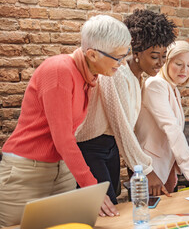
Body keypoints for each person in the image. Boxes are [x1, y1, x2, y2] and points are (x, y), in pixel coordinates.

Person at [0, 15, 131, 227]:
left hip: (61, 170)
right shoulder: (60, 70)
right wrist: (92, 188)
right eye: (118, 57)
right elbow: (63, 139)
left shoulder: (88, 77)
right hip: (26, 173)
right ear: (92, 54)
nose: (121, 63)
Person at [75, 9, 177, 208]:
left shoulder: (139, 78)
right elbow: (121, 125)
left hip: (111, 147)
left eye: (164, 56)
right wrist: (146, 169)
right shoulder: (116, 74)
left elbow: (128, 128)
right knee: (103, 208)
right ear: (136, 52)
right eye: (155, 56)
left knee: (112, 206)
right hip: (91, 147)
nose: (161, 63)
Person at [135, 41, 189, 192]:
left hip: (166, 165)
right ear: (166, 62)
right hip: (151, 167)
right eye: (179, 63)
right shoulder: (155, 85)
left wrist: (174, 167)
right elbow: (172, 128)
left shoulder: (172, 88)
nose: (185, 70)